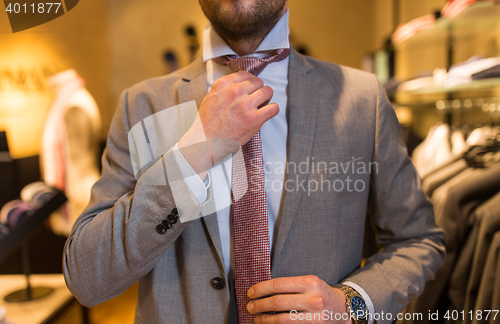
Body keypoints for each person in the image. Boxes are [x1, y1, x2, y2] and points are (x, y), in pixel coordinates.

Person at [62, 1, 446, 323]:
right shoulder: (139, 106)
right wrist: (195, 149)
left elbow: (420, 239)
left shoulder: (364, 99)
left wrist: (351, 303)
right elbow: (86, 278)